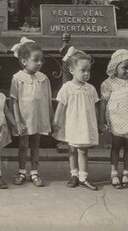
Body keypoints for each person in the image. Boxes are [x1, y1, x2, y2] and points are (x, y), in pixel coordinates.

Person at [53, 48, 99, 190]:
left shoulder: (90, 89)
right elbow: (61, 106)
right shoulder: (67, 88)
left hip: (85, 124)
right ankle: (74, 174)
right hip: (72, 123)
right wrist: (56, 122)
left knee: (83, 150)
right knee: (72, 149)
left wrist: (97, 123)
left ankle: (83, 177)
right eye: (83, 70)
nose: (86, 74)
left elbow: (95, 107)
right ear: (72, 71)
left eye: (88, 70)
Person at [9, 39, 51, 186]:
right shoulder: (17, 78)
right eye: (35, 60)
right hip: (24, 118)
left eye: (41, 60)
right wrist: (18, 121)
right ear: (24, 61)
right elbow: (13, 100)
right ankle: (21, 171)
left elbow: (47, 100)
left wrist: (50, 118)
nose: (39, 63)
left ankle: (34, 172)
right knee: (23, 145)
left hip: (38, 118)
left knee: (35, 144)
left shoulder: (43, 79)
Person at [100, 49, 128, 189]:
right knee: (116, 145)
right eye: (124, 68)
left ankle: (126, 173)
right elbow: (104, 102)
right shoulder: (109, 83)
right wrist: (102, 121)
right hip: (116, 117)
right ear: (115, 67)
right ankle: (114, 173)